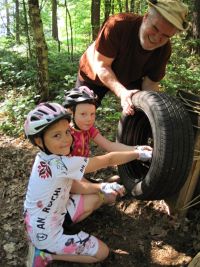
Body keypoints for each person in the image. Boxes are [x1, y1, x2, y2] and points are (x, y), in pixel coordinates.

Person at [24, 102, 152, 266]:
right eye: (56, 135)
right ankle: (45, 255)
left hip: (40, 220)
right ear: (39, 141)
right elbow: (108, 159)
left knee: (99, 197)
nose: (66, 140)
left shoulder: (44, 158)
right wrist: (138, 154)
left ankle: (54, 237)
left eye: (66, 132)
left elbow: (73, 186)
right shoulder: (61, 164)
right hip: (47, 234)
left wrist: (102, 186)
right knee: (102, 253)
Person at [76, 0, 189, 115]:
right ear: (146, 17)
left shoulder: (164, 50)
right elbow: (102, 66)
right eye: (155, 28)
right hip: (93, 74)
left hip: (129, 79)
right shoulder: (118, 24)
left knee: (138, 115)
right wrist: (122, 93)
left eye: (165, 36)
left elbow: (150, 84)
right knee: (80, 115)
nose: (157, 38)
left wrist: (153, 112)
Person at [63, 85, 152, 157]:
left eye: (92, 114)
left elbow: (109, 146)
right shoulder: (65, 132)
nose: (89, 119)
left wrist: (136, 149)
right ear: (71, 112)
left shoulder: (89, 130)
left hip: (82, 171)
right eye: (83, 114)